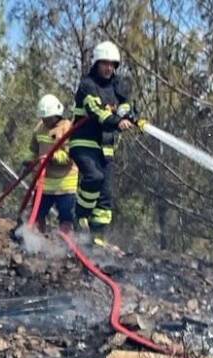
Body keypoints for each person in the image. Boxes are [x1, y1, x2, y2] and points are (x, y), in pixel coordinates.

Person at [69, 41, 135, 247]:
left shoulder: (117, 85)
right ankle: (80, 216)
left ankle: (96, 237)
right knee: (94, 177)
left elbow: (125, 105)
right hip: (84, 142)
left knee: (106, 196)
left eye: (112, 64)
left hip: (105, 146)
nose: (108, 68)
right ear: (97, 63)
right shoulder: (87, 85)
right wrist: (117, 121)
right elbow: (96, 111)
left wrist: (129, 115)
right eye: (104, 63)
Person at [26, 94, 77, 233]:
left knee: (66, 218)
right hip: (44, 183)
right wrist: (30, 161)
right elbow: (33, 149)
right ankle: (35, 239)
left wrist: (52, 157)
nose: (45, 121)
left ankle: (66, 241)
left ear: (57, 115)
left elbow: (71, 155)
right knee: (37, 214)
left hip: (65, 184)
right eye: (43, 118)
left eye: (48, 118)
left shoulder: (67, 128)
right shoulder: (40, 128)